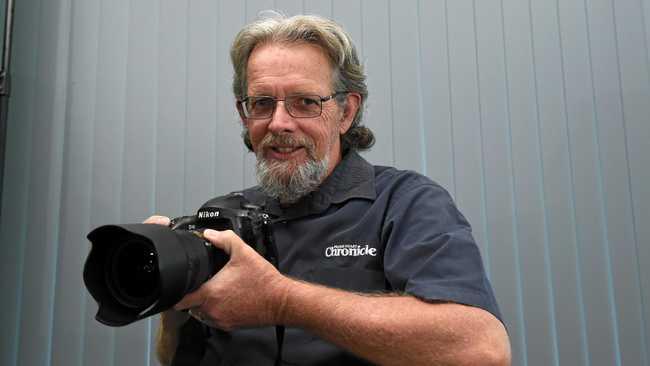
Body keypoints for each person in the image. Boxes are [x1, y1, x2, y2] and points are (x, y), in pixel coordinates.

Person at [149, 13, 511, 366]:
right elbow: (177, 357)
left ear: (346, 112)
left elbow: (480, 349)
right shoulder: (221, 216)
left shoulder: (404, 203)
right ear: (245, 115)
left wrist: (281, 302)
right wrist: (174, 297)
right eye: (261, 104)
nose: (279, 122)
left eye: (305, 102)